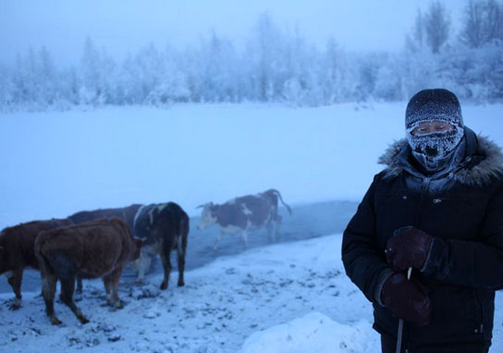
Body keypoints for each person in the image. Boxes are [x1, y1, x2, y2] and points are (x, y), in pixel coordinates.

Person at [341, 88, 503, 353]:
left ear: (459, 126)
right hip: (395, 336)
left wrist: (434, 254)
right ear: (409, 133)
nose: (432, 136)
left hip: (461, 340)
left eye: (442, 126)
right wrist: (383, 285)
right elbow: (355, 246)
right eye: (421, 129)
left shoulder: (491, 186)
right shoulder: (386, 184)